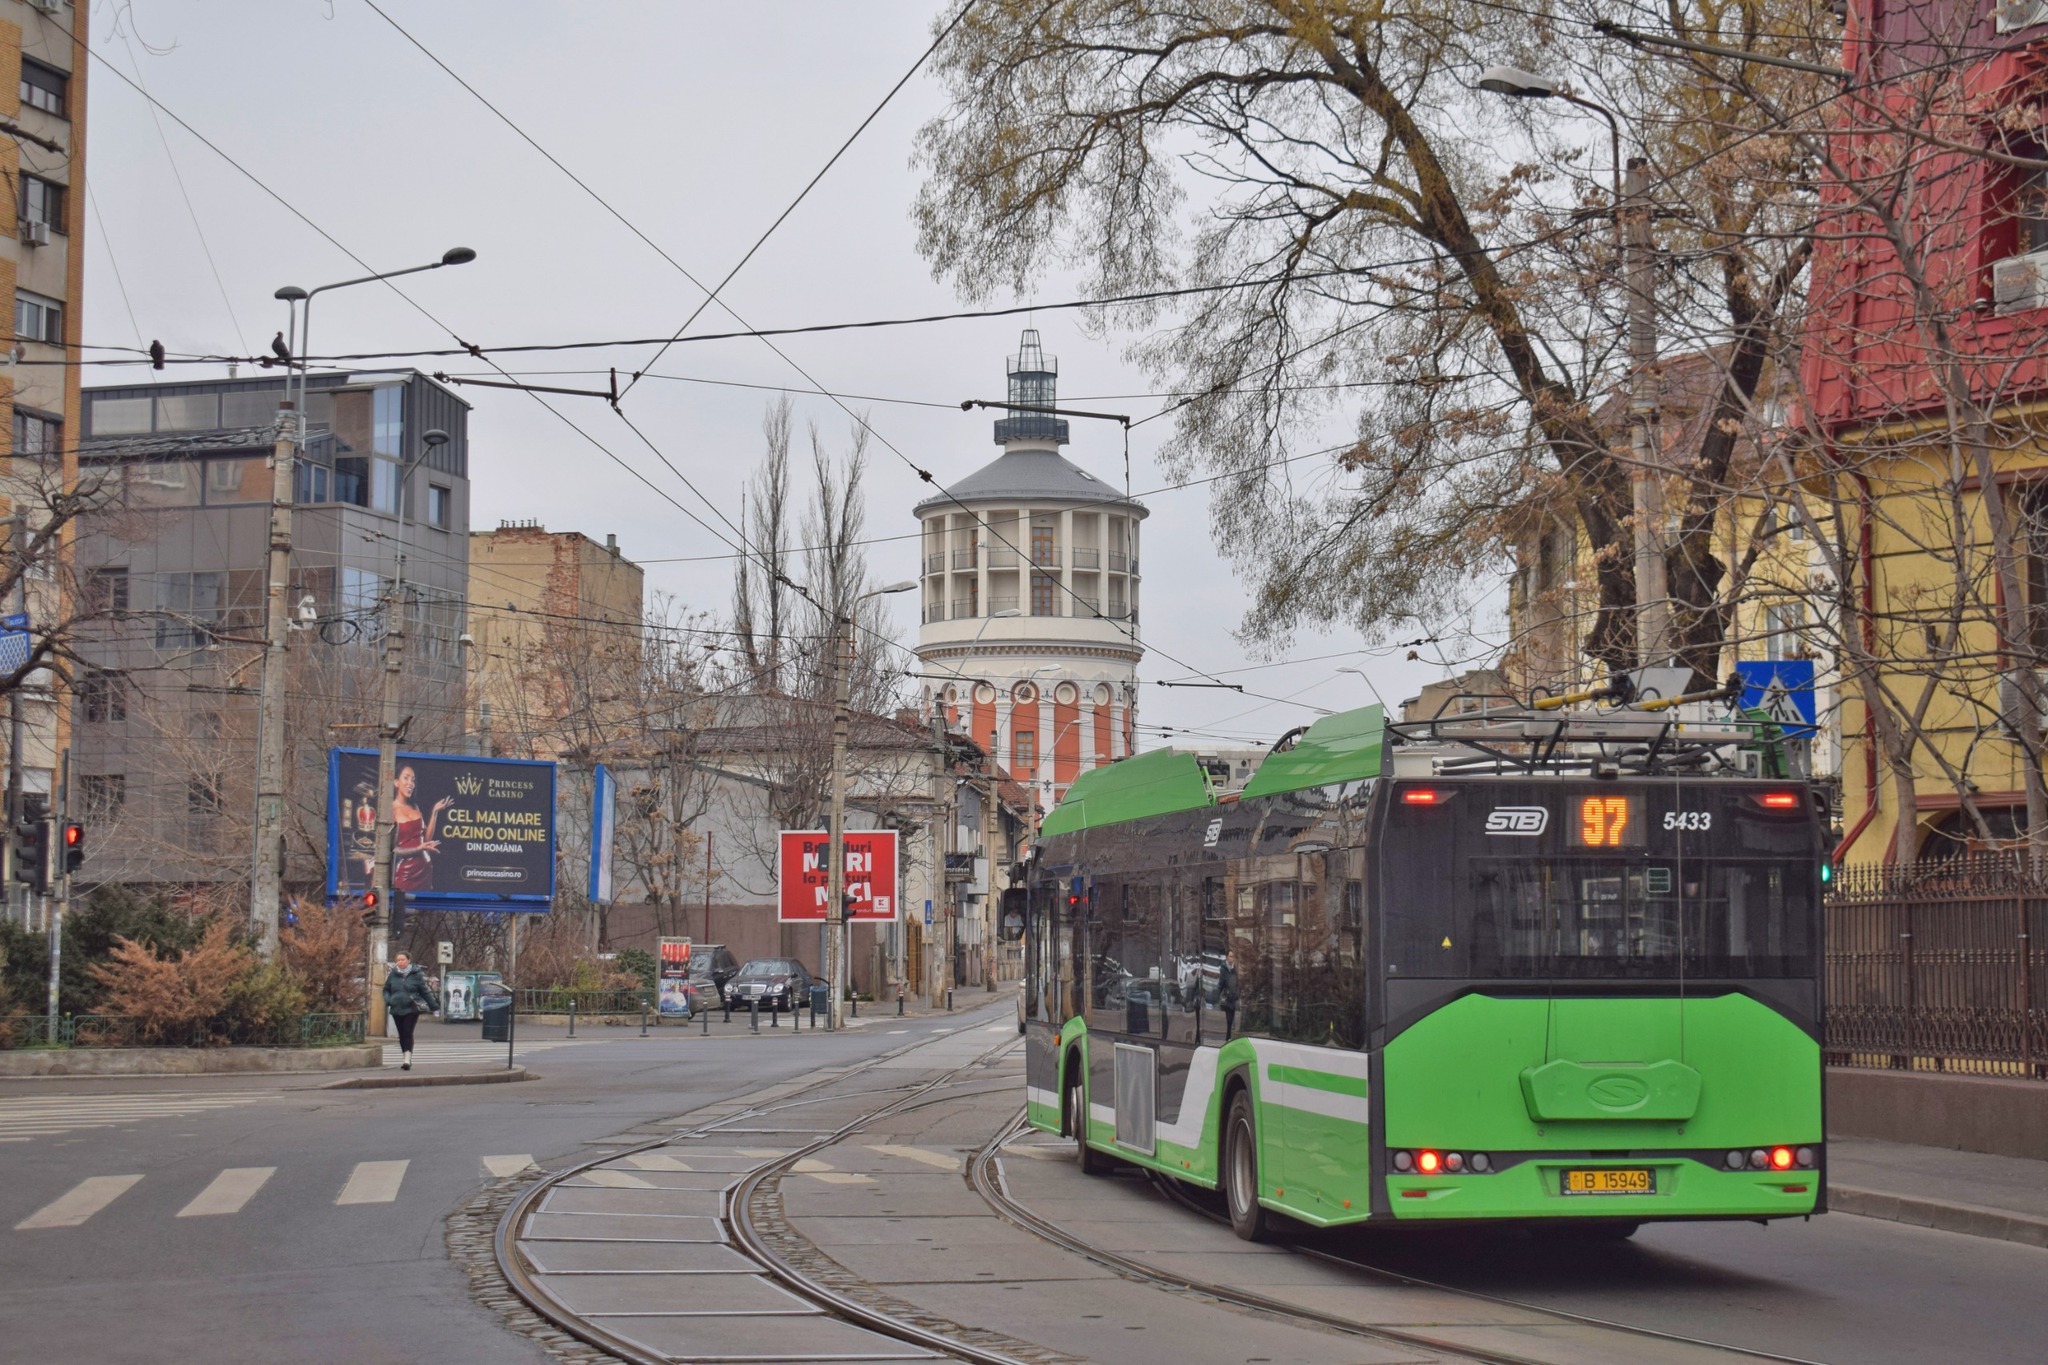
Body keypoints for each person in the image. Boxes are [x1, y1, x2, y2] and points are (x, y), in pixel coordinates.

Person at [391, 765, 453, 893]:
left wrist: (435, 812)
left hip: (425, 871)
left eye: (413, 780)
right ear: (396, 782)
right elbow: (393, 851)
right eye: (406, 778)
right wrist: (418, 849)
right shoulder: (391, 810)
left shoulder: (415, 806)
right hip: (405, 874)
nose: (410, 783)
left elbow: (425, 839)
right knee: (403, 909)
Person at [382, 952, 440, 1070]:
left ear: (408, 960)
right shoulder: (393, 974)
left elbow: (425, 991)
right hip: (396, 1007)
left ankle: (407, 1059)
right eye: (398, 960)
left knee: (408, 1032)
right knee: (402, 1034)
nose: (400, 962)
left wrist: (434, 1007)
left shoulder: (416, 974)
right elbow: (386, 989)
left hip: (411, 1008)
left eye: (402, 959)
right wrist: (389, 1000)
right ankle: (404, 1055)